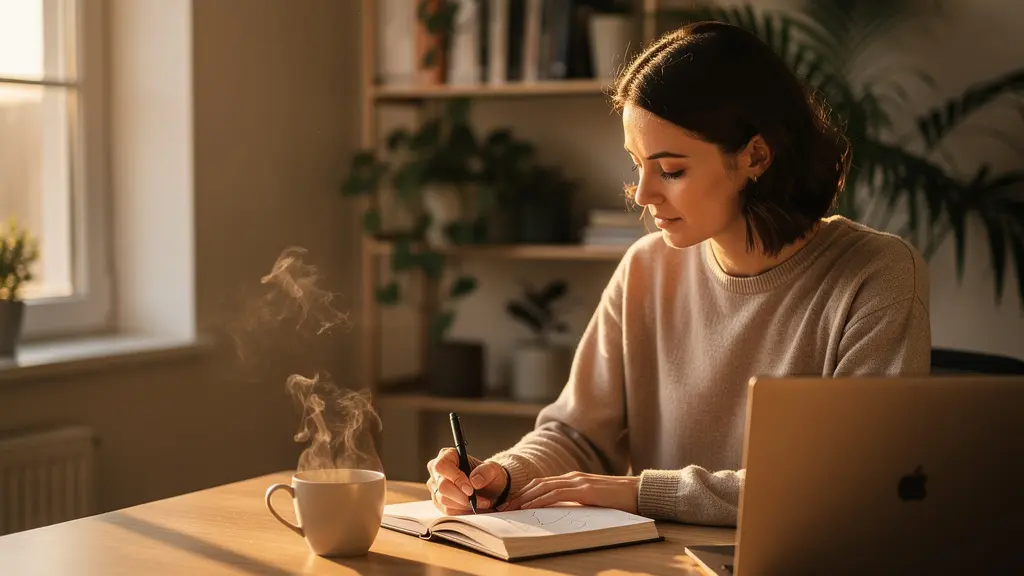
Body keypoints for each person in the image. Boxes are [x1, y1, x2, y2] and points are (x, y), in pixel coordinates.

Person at [426, 21, 931, 527]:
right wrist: (504, 475)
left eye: (670, 170)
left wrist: (643, 493)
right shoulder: (646, 268)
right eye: (637, 165)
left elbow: (851, 480)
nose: (643, 194)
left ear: (755, 157)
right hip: (656, 559)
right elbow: (578, 434)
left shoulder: (877, 275)